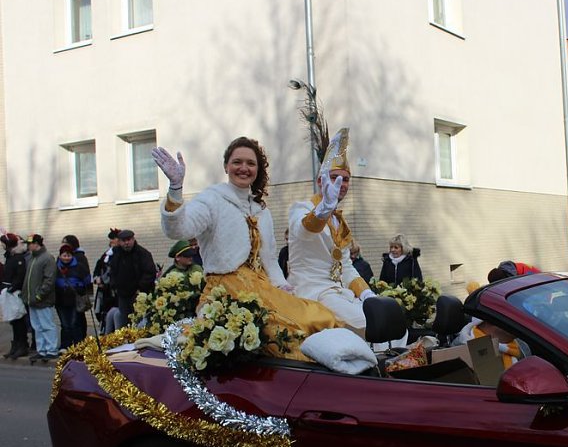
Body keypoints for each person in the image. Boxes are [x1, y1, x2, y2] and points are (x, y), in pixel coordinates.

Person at [153, 136, 341, 361]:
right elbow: (179, 229)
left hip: (261, 286)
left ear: (258, 169)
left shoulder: (260, 209)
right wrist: (175, 190)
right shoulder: (212, 199)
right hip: (226, 291)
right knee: (286, 333)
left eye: (251, 163)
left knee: (319, 316)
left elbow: (270, 258)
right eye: (237, 162)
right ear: (226, 166)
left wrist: (282, 285)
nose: (244, 168)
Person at [287, 129, 377, 335]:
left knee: (387, 321)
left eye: (345, 179)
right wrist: (324, 209)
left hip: (339, 293)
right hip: (311, 292)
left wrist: (367, 294)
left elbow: (345, 265)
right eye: (334, 177)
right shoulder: (301, 209)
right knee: (367, 324)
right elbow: (304, 230)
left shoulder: (339, 221)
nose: (341, 184)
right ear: (320, 181)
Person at [21, 234, 59, 361]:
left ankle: (51, 349)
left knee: (46, 325)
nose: (28, 245)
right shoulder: (33, 258)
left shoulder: (47, 258)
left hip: (42, 300)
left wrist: (39, 295)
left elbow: (49, 279)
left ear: (37, 243)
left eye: (30, 243)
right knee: (37, 326)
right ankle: (42, 350)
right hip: (32, 299)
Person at [109, 230, 157, 329]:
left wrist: (141, 288)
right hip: (123, 295)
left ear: (133, 239)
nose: (126, 243)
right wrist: (114, 286)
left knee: (139, 323)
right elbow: (112, 271)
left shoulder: (143, 253)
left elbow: (149, 273)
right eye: (123, 240)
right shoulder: (116, 254)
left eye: (129, 240)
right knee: (125, 323)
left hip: (138, 294)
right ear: (120, 241)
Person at [55, 243, 92, 349]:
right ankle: (65, 346)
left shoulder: (79, 267)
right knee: (65, 325)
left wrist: (89, 298)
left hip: (75, 300)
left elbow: (87, 281)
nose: (66, 258)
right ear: (60, 256)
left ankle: (78, 345)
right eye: (64, 255)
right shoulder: (56, 267)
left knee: (74, 323)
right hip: (60, 300)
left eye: (69, 255)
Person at [1, 233, 29, 359]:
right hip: (8, 291)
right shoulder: (9, 257)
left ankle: (22, 345)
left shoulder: (18, 258)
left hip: (14, 292)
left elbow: (19, 276)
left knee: (19, 320)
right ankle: (16, 344)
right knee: (13, 320)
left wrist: (12, 288)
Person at [61, 234, 91, 337]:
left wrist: (86, 294)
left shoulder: (79, 257)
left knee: (77, 321)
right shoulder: (62, 259)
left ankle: (80, 339)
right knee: (68, 322)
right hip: (65, 297)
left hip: (77, 295)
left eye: (66, 243)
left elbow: (86, 277)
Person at [92, 228, 120, 334]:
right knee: (104, 315)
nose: (111, 241)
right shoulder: (105, 255)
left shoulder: (121, 255)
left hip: (115, 293)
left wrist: (106, 282)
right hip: (104, 293)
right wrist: (97, 279)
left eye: (114, 238)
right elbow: (97, 270)